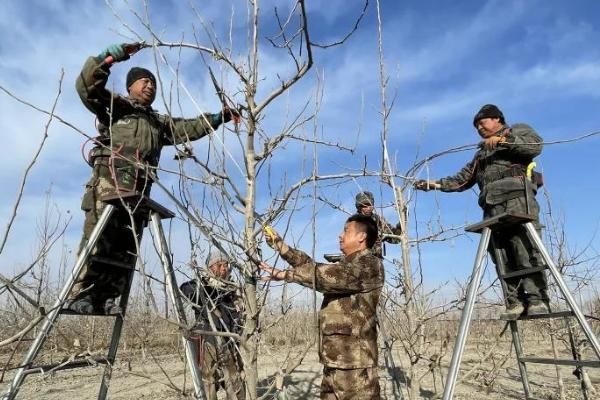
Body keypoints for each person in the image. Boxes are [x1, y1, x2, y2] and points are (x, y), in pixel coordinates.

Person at [66, 43, 237, 314]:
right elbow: (86, 86)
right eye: (144, 81)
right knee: (98, 243)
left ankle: (109, 298)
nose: (150, 86)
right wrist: (107, 57)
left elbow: (188, 128)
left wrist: (218, 118)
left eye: (153, 83)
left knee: (125, 249)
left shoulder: (157, 123)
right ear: (131, 86)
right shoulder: (116, 107)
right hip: (109, 187)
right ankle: (81, 295)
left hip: (138, 195)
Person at [414, 104, 549, 319]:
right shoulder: (481, 155)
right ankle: (514, 302)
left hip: (518, 202)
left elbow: (535, 145)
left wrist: (504, 141)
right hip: (492, 208)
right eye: (476, 125)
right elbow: (461, 180)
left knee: (525, 250)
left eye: (482, 122)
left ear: (497, 119)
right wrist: (433, 185)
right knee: (501, 255)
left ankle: (536, 299)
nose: (479, 127)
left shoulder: (516, 131)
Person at [260, 214, 384, 399]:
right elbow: (311, 267)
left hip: (355, 366)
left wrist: (286, 275)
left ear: (361, 237)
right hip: (334, 363)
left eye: (346, 230)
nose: (340, 235)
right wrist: (280, 246)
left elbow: (325, 276)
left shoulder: (369, 265)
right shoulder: (347, 265)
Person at [180, 252, 245, 400]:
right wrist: (205, 294)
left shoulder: (231, 290)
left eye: (226, 265)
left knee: (234, 382)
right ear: (210, 268)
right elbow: (184, 289)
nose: (224, 268)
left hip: (228, 342)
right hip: (208, 342)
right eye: (219, 265)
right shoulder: (202, 286)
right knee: (209, 381)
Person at [355, 191, 402, 257]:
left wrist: (402, 222)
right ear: (359, 207)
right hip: (358, 262)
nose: (368, 208)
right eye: (365, 206)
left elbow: (396, 238)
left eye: (370, 204)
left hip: (376, 262)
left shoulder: (378, 221)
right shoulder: (353, 223)